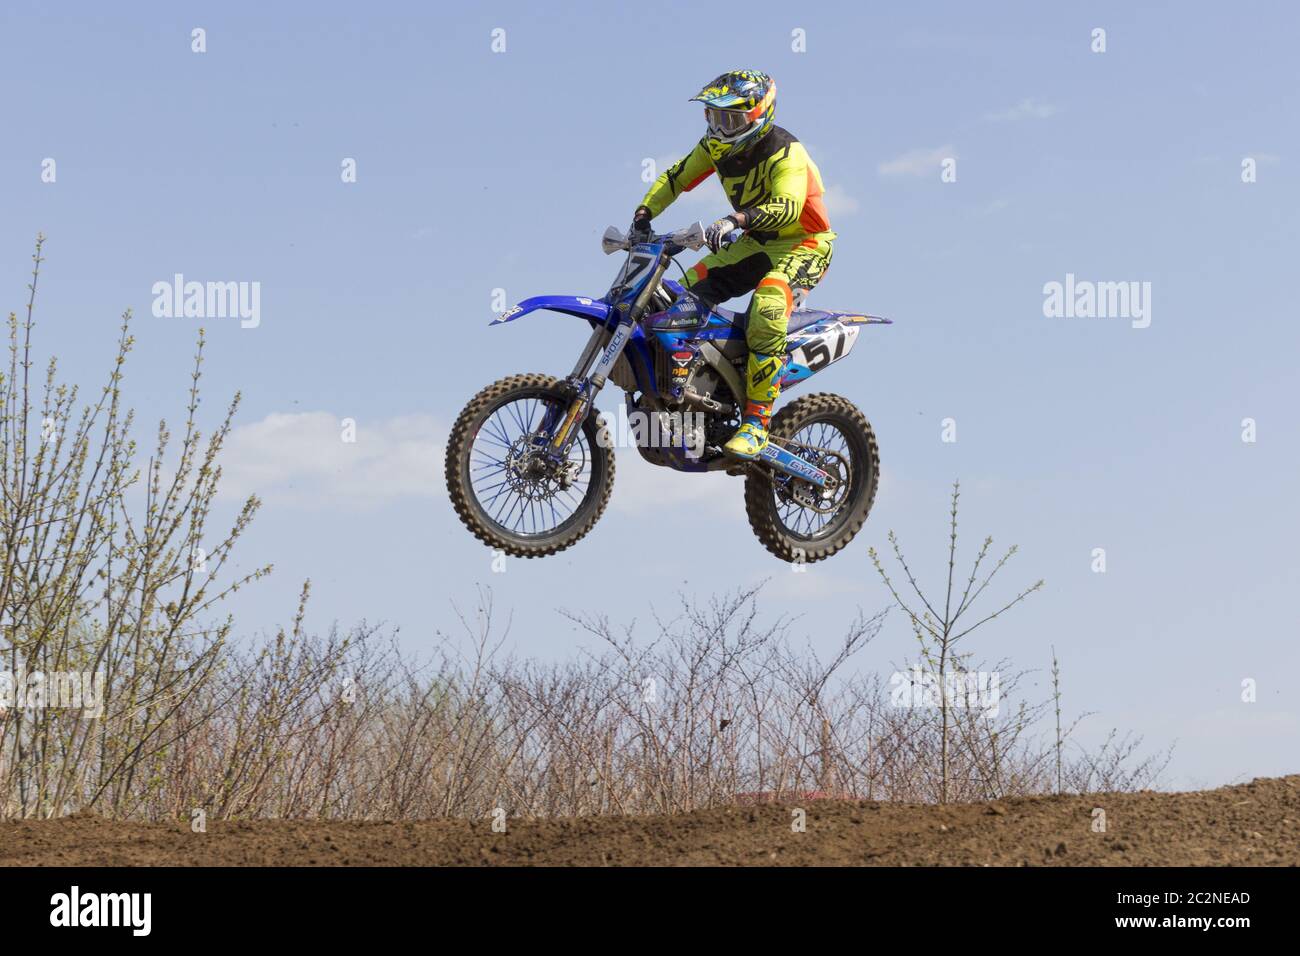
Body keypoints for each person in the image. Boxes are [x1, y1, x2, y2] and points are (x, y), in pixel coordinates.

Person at [631, 69, 835, 459]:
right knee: (676, 295)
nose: (722, 127)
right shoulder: (712, 147)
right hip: (756, 243)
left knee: (767, 309)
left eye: (731, 118)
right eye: (714, 116)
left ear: (759, 115)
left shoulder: (786, 151)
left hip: (804, 244)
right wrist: (643, 215)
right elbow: (676, 179)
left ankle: (757, 424)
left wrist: (735, 220)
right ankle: (698, 390)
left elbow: (787, 206)